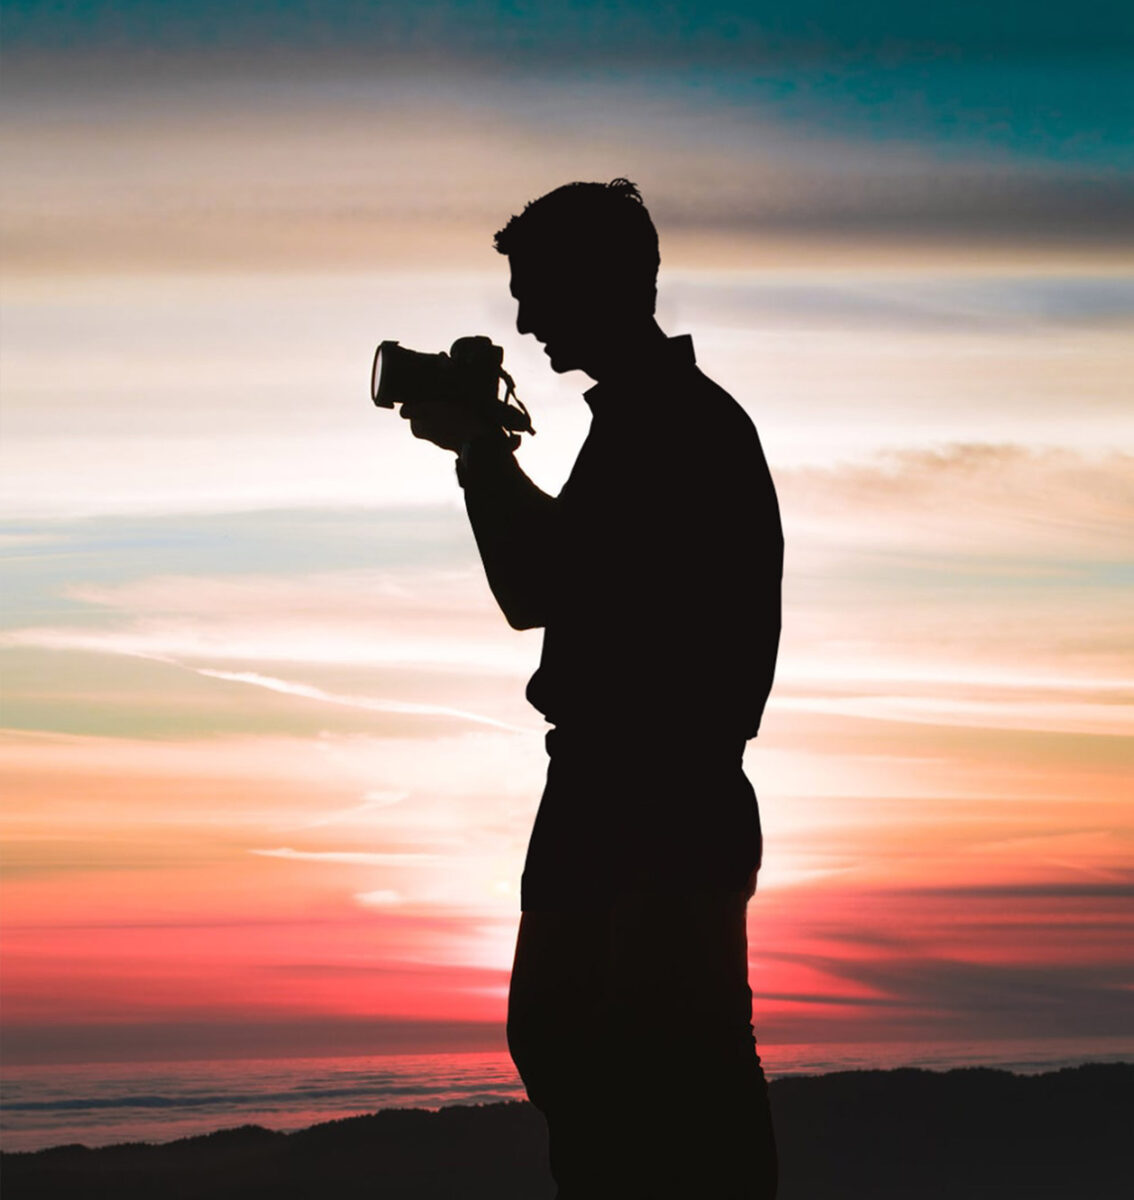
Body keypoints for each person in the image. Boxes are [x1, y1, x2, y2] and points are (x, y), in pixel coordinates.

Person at [401, 179, 782, 1198]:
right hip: (635, 794)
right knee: (614, 1056)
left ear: (602, 284)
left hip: (644, 797)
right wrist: (483, 448)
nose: (522, 319)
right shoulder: (661, 425)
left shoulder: (669, 429)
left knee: (653, 1068)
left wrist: (480, 449)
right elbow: (566, 570)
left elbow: (536, 587)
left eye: (535, 292)